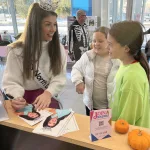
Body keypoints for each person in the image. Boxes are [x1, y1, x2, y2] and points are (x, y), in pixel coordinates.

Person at [2, 2, 67, 111]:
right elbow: (11, 81)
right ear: (35, 25)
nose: (53, 29)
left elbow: (59, 77)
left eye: (55, 24)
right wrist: (17, 97)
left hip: (48, 97)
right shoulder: (17, 51)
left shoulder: (58, 48)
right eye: (48, 24)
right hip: (25, 101)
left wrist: (48, 93)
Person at [107, 21, 150, 128]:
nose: (107, 48)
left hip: (127, 135)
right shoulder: (124, 65)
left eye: (110, 44)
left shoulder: (133, 77)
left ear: (126, 48)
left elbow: (127, 122)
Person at [71, 26, 120, 116]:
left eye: (100, 41)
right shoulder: (88, 56)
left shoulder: (116, 59)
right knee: (92, 128)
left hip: (108, 107)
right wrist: (78, 81)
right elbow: (76, 68)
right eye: (94, 41)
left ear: (109, 42)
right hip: (91, 105)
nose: (96, 44)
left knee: (106, 129)